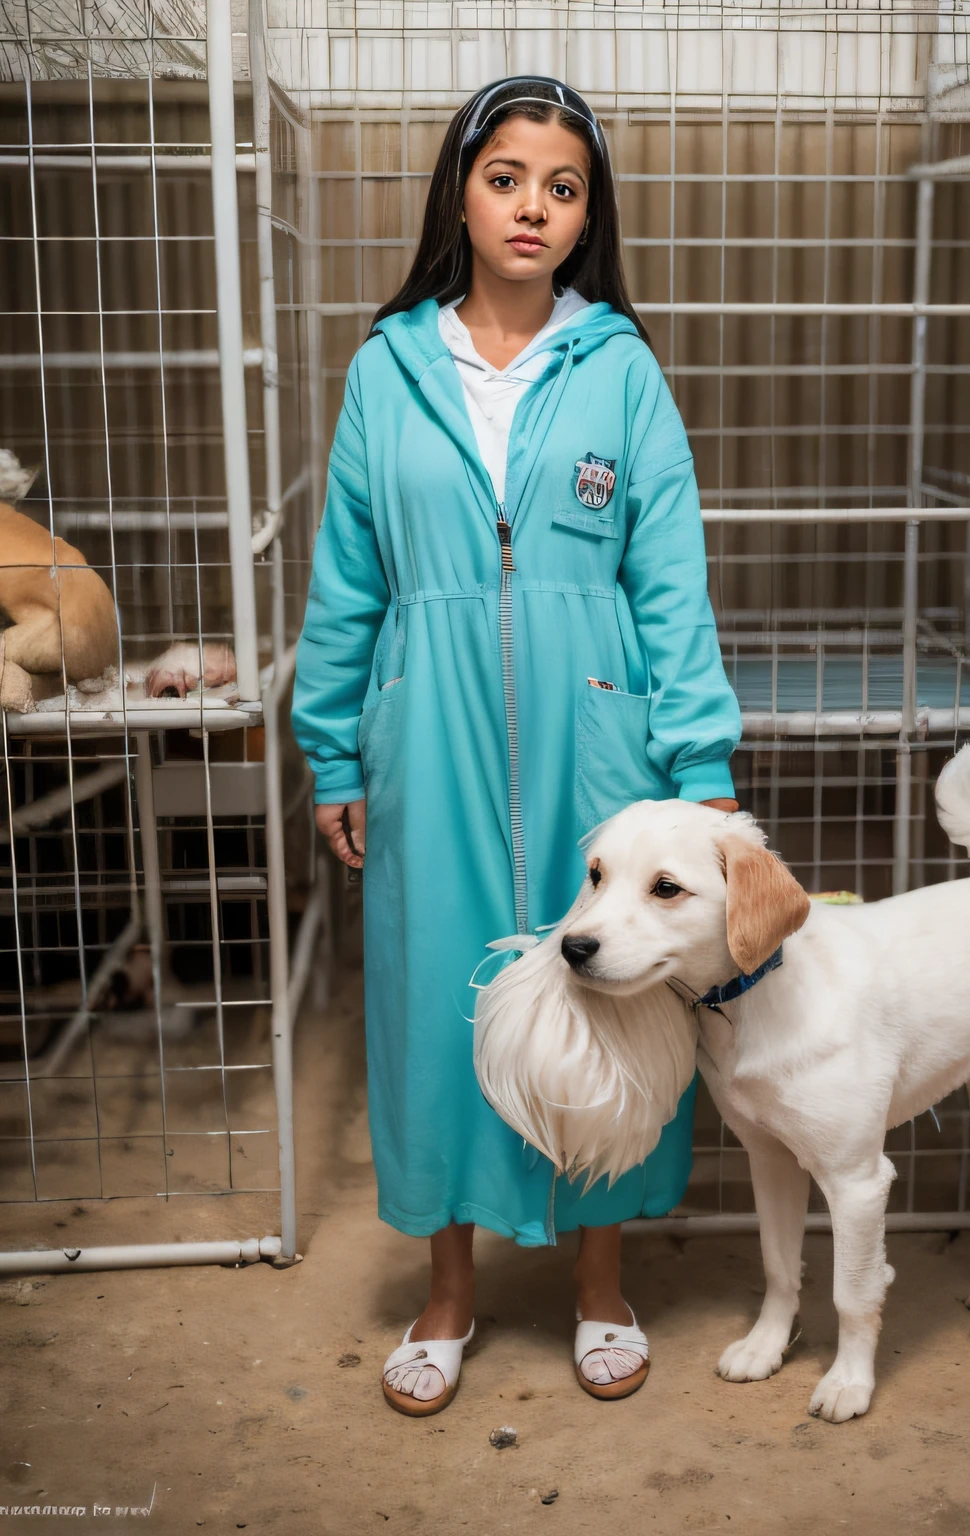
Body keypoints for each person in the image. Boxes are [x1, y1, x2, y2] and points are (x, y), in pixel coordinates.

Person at [291, 75, 742, 1417]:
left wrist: (700, 765)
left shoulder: (619, 369)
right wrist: (334, 753)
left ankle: (603, 1284)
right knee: (439, 998)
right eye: (505, 178)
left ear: (587, 211)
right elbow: (346, 582)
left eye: (562, 185)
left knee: (607, 1005)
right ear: (460, 192)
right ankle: (449, 1292)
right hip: (424, 729)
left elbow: (672, 575)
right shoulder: (388, 369)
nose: (532, 206)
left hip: (600, 732)